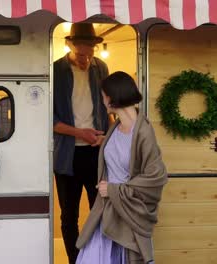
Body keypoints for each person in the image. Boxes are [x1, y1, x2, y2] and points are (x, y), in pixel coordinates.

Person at [75, 71, 168, 264]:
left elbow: (156, 176)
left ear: (112, 97)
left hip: (127, 214)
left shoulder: (143, 132)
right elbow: (121, 153)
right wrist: (104, 142)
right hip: (106, 211)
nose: (102, 101)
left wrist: (113, 190)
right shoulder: (115, 128)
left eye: (103, 96)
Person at [53, 23, 110, 264]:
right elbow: (49, 118)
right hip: (66, 155)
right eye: (81, 53)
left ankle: (97, 257)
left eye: (90, 52)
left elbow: (108, 107)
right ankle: (74, 260)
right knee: (69, 216)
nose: (86, 58)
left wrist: (107, 136)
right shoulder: (56, 71)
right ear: (69, 45)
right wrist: (80, 133)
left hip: (97, 153)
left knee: (101, 212)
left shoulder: (101, 68)